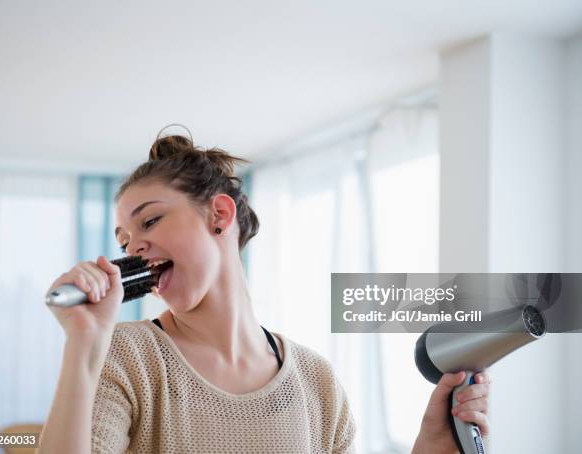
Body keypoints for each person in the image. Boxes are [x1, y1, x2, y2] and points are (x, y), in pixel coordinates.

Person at [38, 130, 490, 453]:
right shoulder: (123, 357)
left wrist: (431, 444)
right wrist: (83, 344)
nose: (133, 246)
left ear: (219, 215)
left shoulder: (317, 382)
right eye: (122, 241)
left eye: (150, 221)